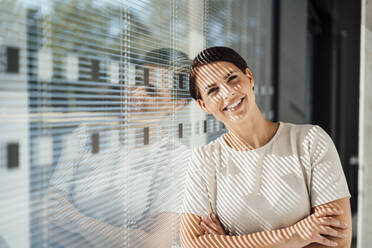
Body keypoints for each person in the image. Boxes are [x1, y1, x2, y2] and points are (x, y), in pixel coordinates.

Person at [180, 46, 352, 247]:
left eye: (232, 78)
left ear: (249, 77)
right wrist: (295, 235)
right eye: (213, 90)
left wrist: (229, 243)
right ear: (204, 106)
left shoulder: (310, 141)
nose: (228, 93)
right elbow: (193, 244)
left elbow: (336, 242)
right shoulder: (204, 160)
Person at [45, 48, 191, 247]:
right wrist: (129, 236)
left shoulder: (177, 159)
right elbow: (48, 223)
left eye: (151, 91)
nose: (135, 93)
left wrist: (75, 220)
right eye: (137, 82)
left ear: (176, 105)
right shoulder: (87, 135)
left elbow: (155, 245)